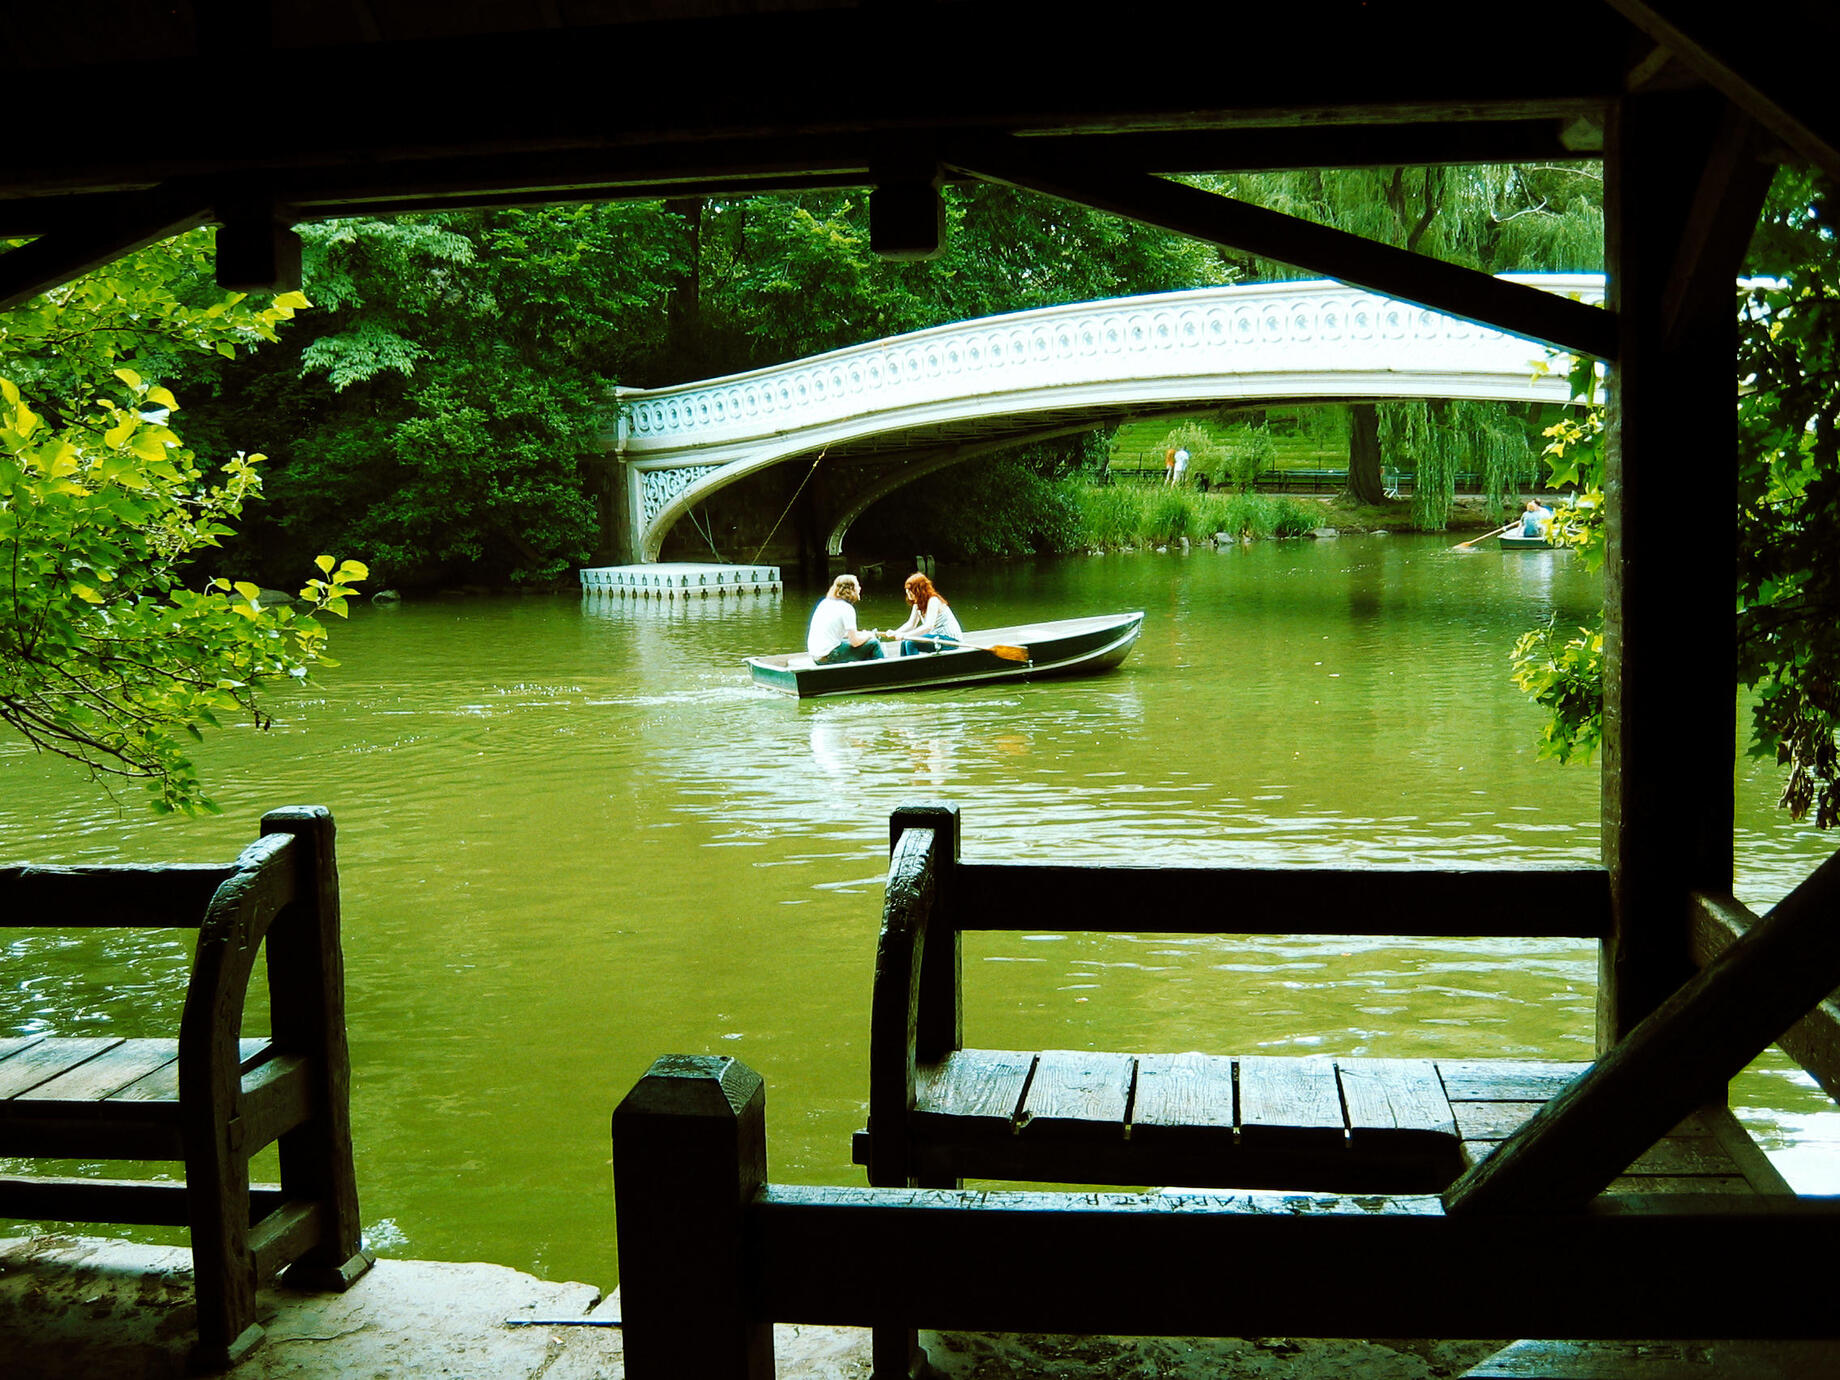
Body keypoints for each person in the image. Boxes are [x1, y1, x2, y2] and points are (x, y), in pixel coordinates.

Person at [806, 574, 883, 663]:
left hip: (817, 657)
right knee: (874, 643)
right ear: (851, 590)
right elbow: (855, 642)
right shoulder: (847, 608)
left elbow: (841, 633)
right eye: (857, 586)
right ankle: (884, 672)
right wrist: (870, 635)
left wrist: (863, 634)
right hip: (829, 657)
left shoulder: (825, 602)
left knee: (862, 643)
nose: (860, 588)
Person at [888, 571, 964, 656]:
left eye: (910, 591)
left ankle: (915, 667)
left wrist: (905, 635)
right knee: (904, 642)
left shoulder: (933, 601)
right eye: (907, 591)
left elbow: (928, 626)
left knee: (910, 642)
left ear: (919, 590)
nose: (908, 593)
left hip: (949, 639)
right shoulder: (918, 603)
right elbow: (911, 624)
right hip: (936, 636)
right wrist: (895, 632)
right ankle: (904, 666)